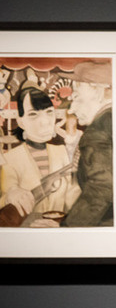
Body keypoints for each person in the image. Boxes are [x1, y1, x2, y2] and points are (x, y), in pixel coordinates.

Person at [0, 86, 81, 226]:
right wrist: (12, 193)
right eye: (33, 114)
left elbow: (70, 198)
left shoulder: (61, 151)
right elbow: (8, 188)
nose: (44, 122)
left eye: (49, 112)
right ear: (21, 122)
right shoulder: (11, 158)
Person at [62, 60, 114, 227]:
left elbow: (100, 190)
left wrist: (68, 229)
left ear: (98, 91)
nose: (71, 110)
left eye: (76, 97)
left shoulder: (98, 130)